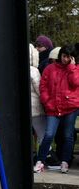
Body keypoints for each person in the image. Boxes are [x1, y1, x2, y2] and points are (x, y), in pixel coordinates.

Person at [33, 45, 79, 174]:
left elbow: (75, 83)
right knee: (49, 134)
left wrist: (71, 68)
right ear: (60, 55)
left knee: (67, 135)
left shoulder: (76, 69)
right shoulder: (50, 68)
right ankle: (40, 161)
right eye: (64, 56)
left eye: (69, 57)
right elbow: (43, 86)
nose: (66, 59)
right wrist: (47, 101)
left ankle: (65, 162)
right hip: (53, 107)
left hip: (70, 107)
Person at [29, 44, 46, 150]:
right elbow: (40, 89)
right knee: (41, 134)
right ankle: (45, 156)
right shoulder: (33, 71)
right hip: (35, 108)